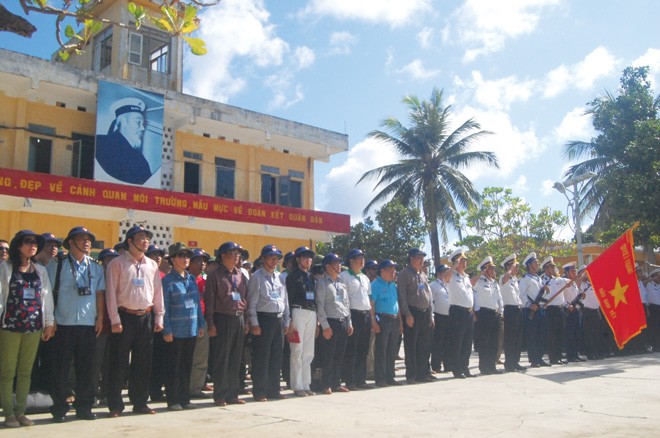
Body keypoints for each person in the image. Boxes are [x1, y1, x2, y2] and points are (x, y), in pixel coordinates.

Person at [46, 227, 105, 423]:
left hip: (88, 324)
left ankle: (84, 407)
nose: (87, 242)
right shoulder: (58, 264)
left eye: (89, 239)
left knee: (86, 369)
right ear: (71, 242)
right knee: (60, 369)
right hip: (63, 323)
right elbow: (48, 293)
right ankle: (60, 408)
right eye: (82, 238)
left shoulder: (95, 267)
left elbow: (99, 294)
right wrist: (50, 319)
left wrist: (100, 319)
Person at [105, 225, 164, 418]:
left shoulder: (152, 265)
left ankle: (140, 403)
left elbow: (157, 293)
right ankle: (115, 405)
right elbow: (111, 294)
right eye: (141, 237)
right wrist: (114, 319)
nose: (145, 241)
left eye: (147, 238)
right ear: (129, 241)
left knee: (143, 363)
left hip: (145, 317)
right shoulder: (117, 264)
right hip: (124, 317)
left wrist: (159, 316)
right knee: (118, 362)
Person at [0, 230, 55, 428]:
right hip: (10, 327)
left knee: (25, 371)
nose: (32, 245)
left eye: (35, 243)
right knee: (7, 371)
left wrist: (49, 322)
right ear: (18, 245)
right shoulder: (5, 268)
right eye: (28, 241)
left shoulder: (40, 270)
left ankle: (21, 411)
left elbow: (46, 298)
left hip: (33, 327)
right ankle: (8, 413)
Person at [204, 241, 249, 406]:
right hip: (221, 318)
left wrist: (247, 320)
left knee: (236, 358)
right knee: (222, 358)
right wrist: (211, 323)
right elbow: (209, 301)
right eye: (233, 253)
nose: (237, 256)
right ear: (223, 256)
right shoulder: (214, 275)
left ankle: (233, 394)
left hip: (239, 317)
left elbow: (245, 298)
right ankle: (221, 395)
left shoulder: (240, 275)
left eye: (238, 254)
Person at [162, 243, 205, 411]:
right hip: (175, 330)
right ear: (172, 260)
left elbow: (196, 304)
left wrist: (200, 323)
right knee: (174, 366)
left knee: (187, 365)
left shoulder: (191, 279)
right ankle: (173, 400)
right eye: (181, 255)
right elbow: (164, 307)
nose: (186, 259)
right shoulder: (167, 281)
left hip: (191, 328)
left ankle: (185, 398)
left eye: (187, 255)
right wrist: (167, 329)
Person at [247, 245, 290, 402]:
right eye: (271, 257)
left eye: (277, 258)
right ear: (263, 259)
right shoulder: (256, 277)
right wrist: (254, 323)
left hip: (278, 319)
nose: (274, 261)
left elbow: (284, 300)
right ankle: (260, 391)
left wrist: (287, 320)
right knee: (262, 358)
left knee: (276, 357)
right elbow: (252, 302)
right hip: (263, 320)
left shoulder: (279, 277)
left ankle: (274, 390)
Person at [316, 253, 353, 394]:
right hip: (330, 322)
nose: (339, 266)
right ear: (327, 267)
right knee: (328, 355)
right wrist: (325, 326)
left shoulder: (341, 283)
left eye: (339, 263)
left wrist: (349, 322)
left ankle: (336, 383)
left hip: (343, 321)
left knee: (340, 355)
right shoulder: (322, 283)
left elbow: (346, 303)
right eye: (336, 263)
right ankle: (326, 384)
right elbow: (320, 306)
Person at [95, 97, 153, 185]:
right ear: (123, 121)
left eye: (143, 124)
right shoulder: (100, 143)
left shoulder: (140, 160)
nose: (142, 128)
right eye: (138, 122)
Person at [397, 248, 434, 384]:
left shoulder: (422, 274)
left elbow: (428, 296)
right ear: (411, 258)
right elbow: (402, 297)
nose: (421, 260)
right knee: (411, 345)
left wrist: (430, 315)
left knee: (424, 345)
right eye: (419, 258)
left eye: (422, 258)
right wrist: (407, 314)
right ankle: (411, 375)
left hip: (424, 312)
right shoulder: (404, 274)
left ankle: (423, 373)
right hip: (413, 312)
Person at [286, 246, 317, 397]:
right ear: (298, 259)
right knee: (297, 349)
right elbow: (289, 299)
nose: (308, 260)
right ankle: (297, 385)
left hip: (311, 311)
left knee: (309, 350)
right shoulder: (292, 277)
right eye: (304, 257)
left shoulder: (311, 277)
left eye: (310, 257)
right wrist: (290, 319)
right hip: (297, 311)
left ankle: (306, 383)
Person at [340, 249, 373, 390]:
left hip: (366, 314)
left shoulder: (365, 278)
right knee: (351, 350)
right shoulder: (344, 276)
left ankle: (361, 380)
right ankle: (350, 380)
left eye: (363, 258)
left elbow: (369, 298)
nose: (362, 261)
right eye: (359, 258)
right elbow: (343, 299)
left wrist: (371, 317)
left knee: (363, 349)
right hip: (353, 314)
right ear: (351, 260)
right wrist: (348, 319)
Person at [370, 259, 402, 387]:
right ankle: (381, 378)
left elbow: (397, 304)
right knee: (381, 350)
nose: (393, 272)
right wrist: (374, 322)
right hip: (381, 318)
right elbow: (371, 304)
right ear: (382, 270)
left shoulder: (393, 286)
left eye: (394, 269)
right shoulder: (375, 285)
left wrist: (400, 322)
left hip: (393, 319)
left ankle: (390, 376)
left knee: (392, 350)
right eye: (391, 269)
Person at [447, 248, 477, 379]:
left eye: (465, 261)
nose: (464, 263)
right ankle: (457, 370)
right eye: (461, 261)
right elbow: (445, 277)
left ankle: (465, 367)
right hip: (457, 312)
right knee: (457, 342)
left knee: (467, 343)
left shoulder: (466, 277)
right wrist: (453, 266)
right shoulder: (451, 276)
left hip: (468, 312)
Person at [473, 256, 503, 375]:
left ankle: (492, 366)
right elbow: (470, 285)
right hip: (483, 314)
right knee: (484, 342)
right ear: (485, 270)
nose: (494, 271)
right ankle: (484, 367)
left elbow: (499, 299)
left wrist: (501, 312)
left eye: (494, 269)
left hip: (495, 314)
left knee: (494, 343)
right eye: (491, 269)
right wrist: (481, 274)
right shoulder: (479, 282)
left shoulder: (495, 284)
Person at [519, 252, 550, 368]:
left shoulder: (538, 278)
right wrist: (529, 305)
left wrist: (546, 289)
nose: (537, 264)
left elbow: (541, 294)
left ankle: (540, 357)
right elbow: (521, 294)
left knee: (541, 334)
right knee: (532, 335)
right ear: (529, 265)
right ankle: (533, 359)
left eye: (537, 262)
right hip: (531, 310)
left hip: (540, 309)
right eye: (535, 262)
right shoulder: (525, 278)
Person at [188, 249, 212, 399]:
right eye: (198, 260)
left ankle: (196, 387)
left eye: (204, 261)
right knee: (186, 357)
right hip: (186, 322)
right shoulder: (185, 279)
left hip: (202, 321)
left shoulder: (205, 281)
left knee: (201, 356)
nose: (202, 264)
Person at [146, 244, 168, 402]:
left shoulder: (163, 275)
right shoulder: (146, 271)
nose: (158, 257)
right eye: (154, 254)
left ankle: (156, 390)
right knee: (147, 358)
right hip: (146, 318)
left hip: (160, 320)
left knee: (160, 358)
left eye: (160, 255)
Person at [499, 254, 526, 372]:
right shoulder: (503, 278)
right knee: (510, 338)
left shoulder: (515, 280)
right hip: (509, 310)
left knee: (518, 338)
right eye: (514, 265)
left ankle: (515, 361)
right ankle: (509, 363)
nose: (516, 268)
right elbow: (505, 279)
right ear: (508, 267)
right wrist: (510, 269)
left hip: (518, 309)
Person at [542, 256, 566, 365]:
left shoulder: (558, 279)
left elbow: (570, 282)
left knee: (560, 334)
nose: (553, 269)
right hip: (551, 310)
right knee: (552, 335)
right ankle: (553, 357)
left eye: (553, 267)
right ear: (546, 269)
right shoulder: (543, 280)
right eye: (551, 267)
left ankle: (559, 355)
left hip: (560, 309)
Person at [430, 264, 451, 373]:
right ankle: (436, 366)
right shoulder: (433, 285)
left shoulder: (449, 285)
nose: (448, 274)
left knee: (448, 342)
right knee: (437, 343)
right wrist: (432, 316)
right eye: (445, 272)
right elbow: (431, 301)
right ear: (439, 274)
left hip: (449, 317)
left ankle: (448, 365)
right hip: (438, 316)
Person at [561, 262, 585, 362]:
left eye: (575, 270)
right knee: (569, 334)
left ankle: (575, 354)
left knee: (576, 333)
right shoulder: (564, 282)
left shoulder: (574, 283)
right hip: (568, 310)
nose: (574, 272)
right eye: (572, 270)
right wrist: (567, 305)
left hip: (576, 310)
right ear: (567, 272)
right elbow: (561, 296)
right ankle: (570, 355)